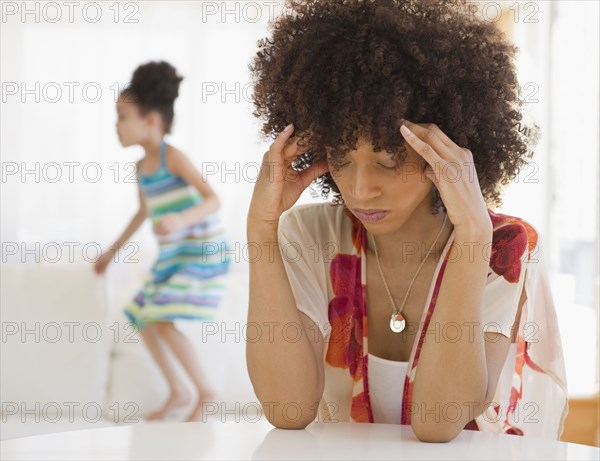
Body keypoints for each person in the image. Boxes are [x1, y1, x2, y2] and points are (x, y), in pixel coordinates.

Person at [245, 0, 568, 442]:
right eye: (341, 159)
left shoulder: (502, 246)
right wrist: (260, 231)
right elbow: (287, 407)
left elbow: (438, 421)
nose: (360, 189)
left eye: (390, 161)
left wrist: (473, 235)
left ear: (446, 149)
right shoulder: (312, 235)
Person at [94, 60, 231, 422]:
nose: (116, 126)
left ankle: (207, 393)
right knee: (141, 316)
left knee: (161, 318)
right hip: (175, 255)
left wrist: (181, 218)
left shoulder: (174, 158)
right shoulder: (141, 169)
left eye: (123, 117)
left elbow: (213, 198)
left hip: (201, 251)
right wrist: (111, 253)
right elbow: (142, 213)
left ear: (151, 121)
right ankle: (180, 391)